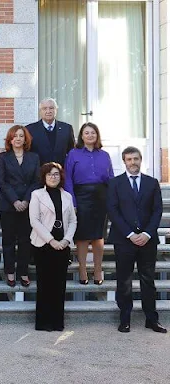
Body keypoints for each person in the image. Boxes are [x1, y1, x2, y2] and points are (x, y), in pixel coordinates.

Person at [107, 147, 166, 333]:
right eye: (129, 159)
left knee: (148, 279)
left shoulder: (152, 182)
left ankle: (151, 319)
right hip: (124, 239)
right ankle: (125, 319)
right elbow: (113, 211)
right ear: (124, 162)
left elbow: (157, 210)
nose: (133, 162)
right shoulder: (115, 183)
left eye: (136, 159)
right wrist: (130, 234)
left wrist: (147, 234)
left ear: (141, 160)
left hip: (147, 240)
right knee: (124, 280)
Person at [64, 122, 113, 285]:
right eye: (86, 133)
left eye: (93, 133)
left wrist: (113, 198)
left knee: (99, 236)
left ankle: (98, 269)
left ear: (97, 135)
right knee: (82, 236)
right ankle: (83, 269)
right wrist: (72, 201)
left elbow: (111, 178)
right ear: (81, 136)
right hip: (81, 195)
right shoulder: (73, 154)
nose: (90, 135)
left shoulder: (104, 155)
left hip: (101, 196)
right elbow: (68, 179)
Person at [29, 162, 77, 332]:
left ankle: (57, 322)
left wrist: (66, 240)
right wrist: (51, 241)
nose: (53, 177)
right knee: (44, 284)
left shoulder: (67, 196)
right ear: (44, 177)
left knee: (59, 284)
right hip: (43, 243)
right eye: (50, 174)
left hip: (63, 244)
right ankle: (43, 322)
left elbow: (72, 221)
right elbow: (34, 221)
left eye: (56, 174)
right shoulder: (37, 195)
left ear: (60, 176)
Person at [0, 125, 40, 287]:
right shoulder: (2, 157)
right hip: (8, 204)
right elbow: (1, 181)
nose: (18, 139)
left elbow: (37, 181)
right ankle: (9, 271)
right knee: (8, 240)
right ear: (10, 139)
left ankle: (23, 272)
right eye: (15, 136)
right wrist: (15, 200)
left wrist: (26, 201)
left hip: (28, 204)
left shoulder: (34, 157)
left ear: (26, 139)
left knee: (25, 240)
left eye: (21, 136)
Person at [26, 98, 75, 167]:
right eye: (45, 108)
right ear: (40, 111)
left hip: (61, 173)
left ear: (56, 110)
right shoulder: (29, 129)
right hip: (38, 173)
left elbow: (71, 152)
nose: (48, 111)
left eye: (51, 108)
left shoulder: (67, 129)